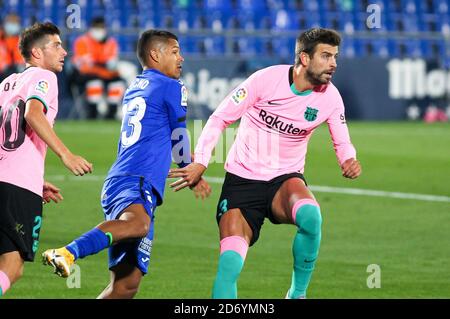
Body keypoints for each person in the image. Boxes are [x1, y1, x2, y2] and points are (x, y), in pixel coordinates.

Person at [169, 28, 362, 299]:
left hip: (285, 179)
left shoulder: (330, 97)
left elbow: (342, 141)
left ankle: (297, 293)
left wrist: (348, 159)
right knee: (230, 263)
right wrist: (201, 161)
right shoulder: (265, 80)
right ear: (305, 59)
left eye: (335, 57)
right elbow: (219, 118)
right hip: (242, 181)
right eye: (326, 56)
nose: (333, 64)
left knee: (311, 217)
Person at [42, 30, 211, 299]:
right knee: (138, 225)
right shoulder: (172, 86)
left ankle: (71, 253)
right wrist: (192, 169)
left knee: (125, 286)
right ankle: (67, 252)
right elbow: (178, 133)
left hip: (123, 179)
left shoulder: (136, 86)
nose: (181, 58)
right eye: (175, 51)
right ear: (156, 54)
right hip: (137, 179)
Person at [0, 22, 93, 297]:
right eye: (56, 45)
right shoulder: (44, 77)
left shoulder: (6, 83)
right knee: (12, 266)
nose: (64, 52)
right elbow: (33, 114)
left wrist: (35, 178)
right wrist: (66, 154)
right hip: (16, 190)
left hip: (9, 180)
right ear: (36, 53)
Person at [71, 16, 126, 119]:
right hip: (84, 75)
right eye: (97, 28)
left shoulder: (111, 42)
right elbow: (85, 66)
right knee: (94, 82)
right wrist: (103, 69)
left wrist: (107, 69)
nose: (99, 30)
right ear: (91, 28)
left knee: (117, 82)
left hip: (105, 73)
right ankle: (93, 113)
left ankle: (111, 113)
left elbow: (112, 63)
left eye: (101, 28)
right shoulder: (82, 41)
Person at [0, 13, 25, 82]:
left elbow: (22, 62)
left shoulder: (22, 41)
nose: (12, 24)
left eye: (15, 22)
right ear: (5, 23)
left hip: (13, 78)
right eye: (10, 22)